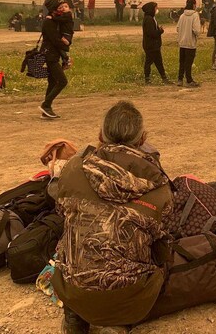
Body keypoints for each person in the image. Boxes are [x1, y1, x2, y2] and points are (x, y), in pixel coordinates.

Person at [52, 101, 173, 333]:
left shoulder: (74, 168)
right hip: (127, 295)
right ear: (142, 139)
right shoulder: (160, 185)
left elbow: (62, 213)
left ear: (99, 135)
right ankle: (116, 321)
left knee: (69, 240)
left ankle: (75, 314)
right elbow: (162, 239)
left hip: (72, 289)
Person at [39, 0, 70, 119]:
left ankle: (46, 110)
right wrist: (66, 47)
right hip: (50, 56)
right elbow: (56, 40)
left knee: (52, 82)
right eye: (58, 7)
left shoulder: (55, 21)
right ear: (53, 9)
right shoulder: (49, 22)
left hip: (53, 55)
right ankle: (45, 105)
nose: (60, 9)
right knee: (62, 81)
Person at [142, 2, 171, 85]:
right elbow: (152, 33)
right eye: (155, 8)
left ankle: (164, 78)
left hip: (155, 45)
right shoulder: (148, 19)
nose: (156, 10)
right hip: (151, 45)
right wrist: (160, 31)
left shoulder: (151, 18)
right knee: (149, 62)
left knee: (159, 62)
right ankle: (147, 79)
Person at [176, 0, 201, 87]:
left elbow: (178, 28)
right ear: (194, 5)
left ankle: (180, 79)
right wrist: (197, 35)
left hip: (182, 42)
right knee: (189, 62)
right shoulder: (195, 15)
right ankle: (189, 80)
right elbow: (197, 30)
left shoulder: (182, 15)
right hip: (190, 43)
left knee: (182, 62)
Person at [47, 2, 74, 67]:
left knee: (60, 46)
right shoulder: (63, 15)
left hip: (67, 34)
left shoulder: (68, 15)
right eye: (62, 7)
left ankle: (67, 59)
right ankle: (65, 61)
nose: (63, 8)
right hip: (63, 33)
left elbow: (60, 19)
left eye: (66, 6)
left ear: (70, 9)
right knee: (59, 47)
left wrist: (52, 18)